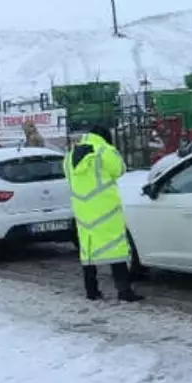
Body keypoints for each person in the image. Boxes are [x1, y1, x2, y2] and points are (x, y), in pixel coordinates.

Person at [63, 125, 143, 302]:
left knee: (88, 251)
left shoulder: (69, 156)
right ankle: (124, 291)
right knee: (116, 249)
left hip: (83, 211)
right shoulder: (105, 151)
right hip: (106, 210)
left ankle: (91, 291)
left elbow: (69, 177)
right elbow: (120, 170)